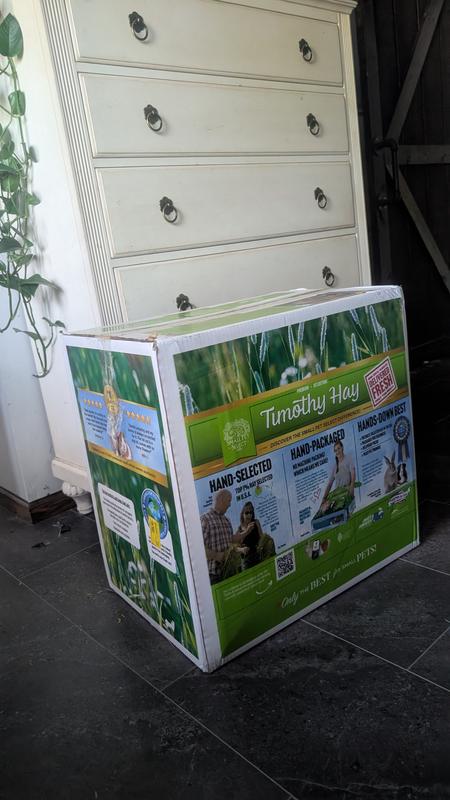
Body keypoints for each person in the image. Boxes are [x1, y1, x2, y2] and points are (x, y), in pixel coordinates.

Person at [201, 489, 247, 584]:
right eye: (229, 501)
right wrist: (217, 555)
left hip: (231, 571)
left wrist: (246, 532)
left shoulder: (227, 520)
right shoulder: (205, 519)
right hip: (214, 575)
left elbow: (231, 540)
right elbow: (200, 548)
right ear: (221, 500)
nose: (230, 505)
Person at [321, 440, 356, 507]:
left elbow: (353, 474)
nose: (337, 451)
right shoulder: (335, 467)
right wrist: (324, 498)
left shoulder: (349, 459)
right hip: (337, 498)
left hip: (347, 494)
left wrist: (351, 488)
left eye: (338, 448)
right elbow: (329, 484)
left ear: (342, 448)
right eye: (335, 450)